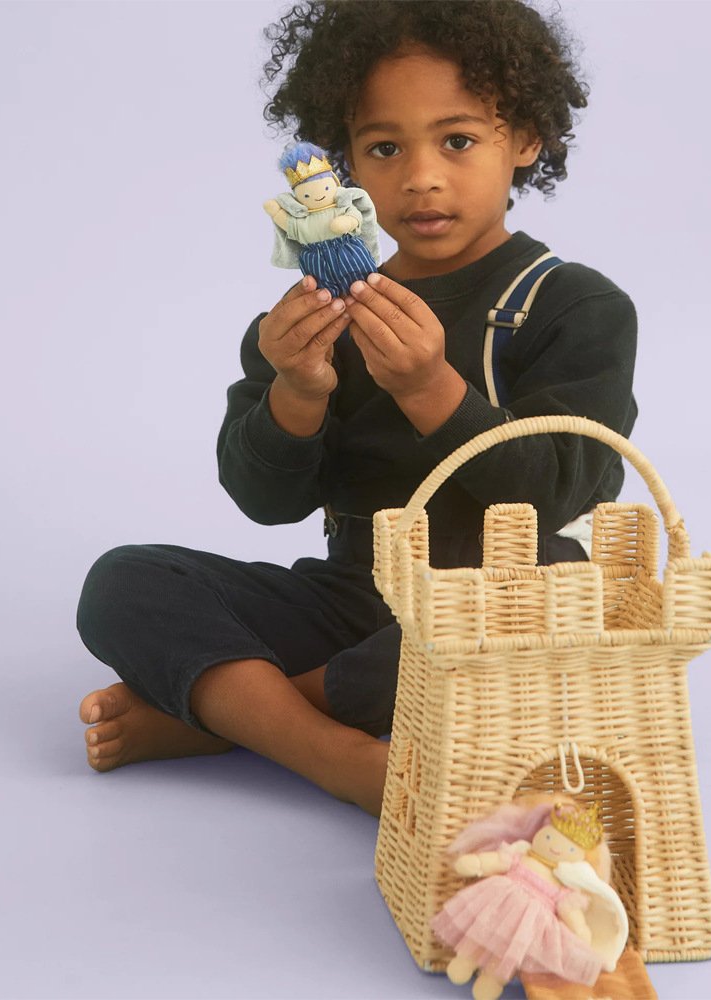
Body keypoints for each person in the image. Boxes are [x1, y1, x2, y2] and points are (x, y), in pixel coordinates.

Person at [76, 0, 638, 819]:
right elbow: (265, 501)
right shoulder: (318, 316)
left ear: (525, 139)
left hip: (490, 593)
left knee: (555, 600)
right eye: (384, 148)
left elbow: (557, 490)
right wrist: (297, 391)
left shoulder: (573, 306)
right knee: (125, 583)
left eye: (457, 140)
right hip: (355, 593)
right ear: (341, 164)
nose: (420, 177)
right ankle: (341, 756)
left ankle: (236, 718)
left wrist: (429, 387)